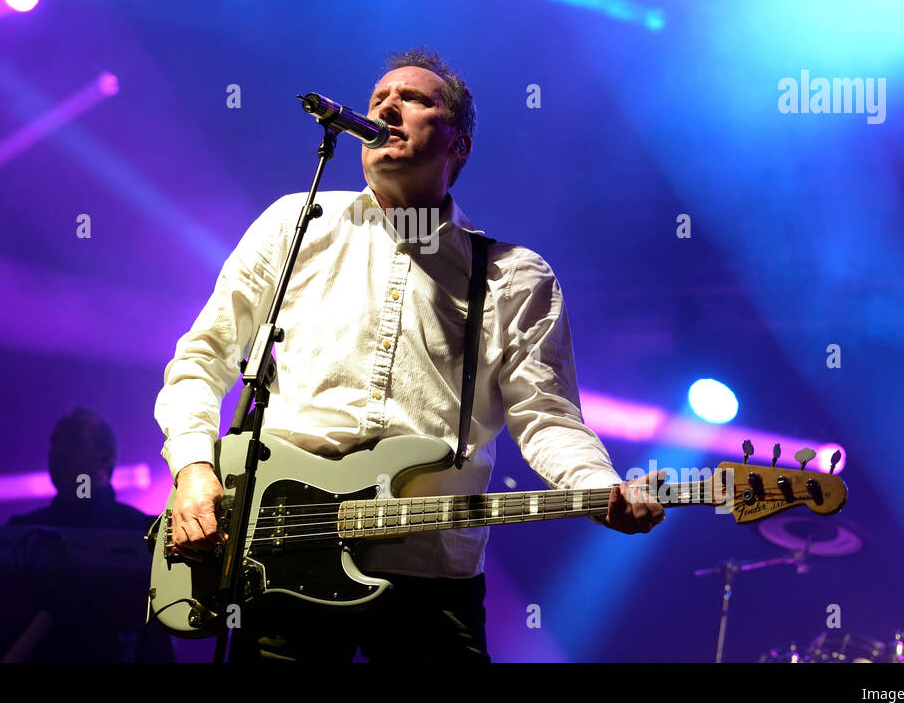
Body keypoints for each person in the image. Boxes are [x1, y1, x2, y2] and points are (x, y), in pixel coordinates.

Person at [154, 48, 664, 662]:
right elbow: (201, 358)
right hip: (281, 561)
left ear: (460, 145)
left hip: (430, 574)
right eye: (377, 100)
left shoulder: (512, 275)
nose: (388, 107)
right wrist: (193, 470)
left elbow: (547, 418)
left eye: (417, 100)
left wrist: (599, 486)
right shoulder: (296, 224)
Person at [0, 407, 175, 662]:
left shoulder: (143, 530)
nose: (59, 452)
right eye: (54, 443)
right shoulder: (22, 530)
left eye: (75, 441)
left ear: (107, 458)